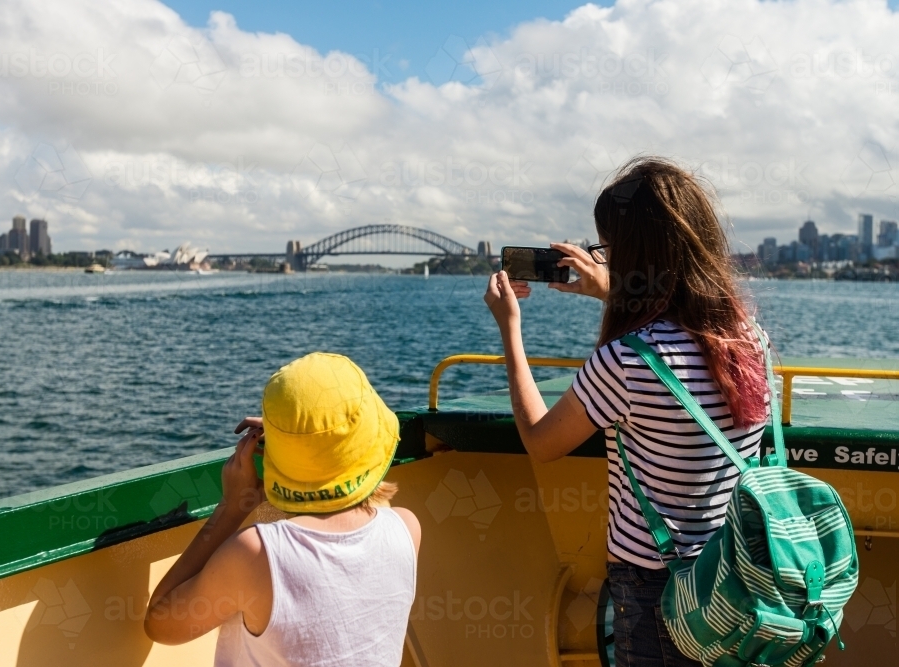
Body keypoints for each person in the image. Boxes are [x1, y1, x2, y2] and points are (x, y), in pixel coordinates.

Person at [483, 157, 770, 667]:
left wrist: (510, 329)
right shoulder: (749, 341)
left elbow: (541, 441)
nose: (602, 258)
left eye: (607, 248)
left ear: (632, 254)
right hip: (738, 570)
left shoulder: (628, 360)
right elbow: (682, 336)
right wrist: (618, 293)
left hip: (658, 586)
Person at [144, 352, 421, 667]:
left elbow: (160, 623)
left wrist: (232, 507)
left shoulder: (254, 555)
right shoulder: (406, 529)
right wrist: (306, 442)